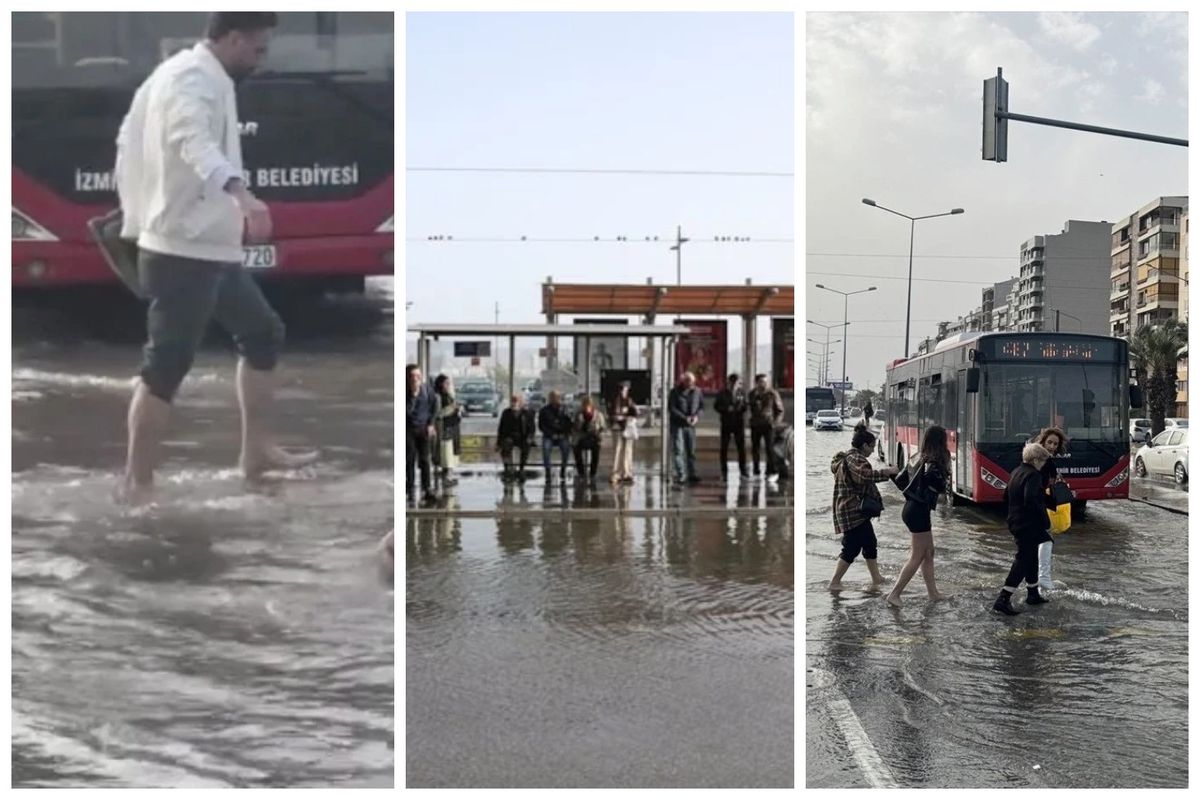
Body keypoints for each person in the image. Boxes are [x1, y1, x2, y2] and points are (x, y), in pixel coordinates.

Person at [115, 13, 318, 504]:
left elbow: (126, 142)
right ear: (233, 39)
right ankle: (137, 483)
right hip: (181, 250)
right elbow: (192, 141)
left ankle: (256, 452)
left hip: (208, 247)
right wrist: (241, 194)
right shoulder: (189, 78)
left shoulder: (197, 74)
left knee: (262, 333)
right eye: (258, 49)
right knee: (166, 365)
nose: (260, 60)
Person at [885, 426, 950, 607]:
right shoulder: (933, 461)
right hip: (918, 511)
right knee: (917, 555)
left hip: (913, 508)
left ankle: (933, 593)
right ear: (941, 441)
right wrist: (941, 481)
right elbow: (935, 480)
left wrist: (914, 493)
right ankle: (894, 594)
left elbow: (900, 480)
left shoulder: (917, 457)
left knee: (928, 553)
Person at [828, 423, 898, 590]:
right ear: (864, 445)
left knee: (869, 542)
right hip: (852, 511)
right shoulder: (855, 458)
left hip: (850, 510)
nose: (873, 451)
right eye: (872, 447)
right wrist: (887, 472)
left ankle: (876, 578)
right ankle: (835, 582)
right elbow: (864, 476)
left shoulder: (849, 457)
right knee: (851, 548)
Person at [993, 442, 1053, 616]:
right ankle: (1003, 598)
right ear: (1036, 460)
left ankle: (1033, 593)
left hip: (1015, 521)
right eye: (1043, 461)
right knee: (1024, 558)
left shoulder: (1016, 472)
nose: (1043, 465)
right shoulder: (1033, 475)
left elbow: (1006, 496)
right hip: (1028, 524)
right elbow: (1031, 498)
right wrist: (1044, 520)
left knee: (1032, 555)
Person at [1033, 427, 1069, 591]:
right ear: (1042, 442)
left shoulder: (1049, 462)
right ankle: (1043, 578)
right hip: (1034, 505)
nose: (1052, 446)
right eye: (1049, 442)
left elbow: (1049, 484)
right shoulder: (1037, 461)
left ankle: (1037, 578)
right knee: (1045, 539)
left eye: (1055, 444)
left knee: (1041, 540)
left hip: (1039, 504)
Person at [405, 365, 438, 503]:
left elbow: (434, 406)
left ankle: (427, 488)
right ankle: (410, 488)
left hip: (423, 429)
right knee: (409, 459)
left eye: (418, 376)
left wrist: (431, 424)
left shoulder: (427, 391)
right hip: (408, 430)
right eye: (412, 376)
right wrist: (412, 396)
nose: (415, 379)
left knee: (425, 459)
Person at [668, 371, 704, 485]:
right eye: (689, 382)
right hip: (678, 424)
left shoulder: (697, 391)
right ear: (684, 381)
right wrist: (684, 418)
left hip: (691, 425)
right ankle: (681, 474)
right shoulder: (675, 392)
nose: (691, 384)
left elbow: (701, 407)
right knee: (679, 450)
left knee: (691, 450)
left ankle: (692, 473)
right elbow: (672, 408)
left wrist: (697, 416)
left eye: (693, 382)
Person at [748, 374, 785, 480]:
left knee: (770, 449)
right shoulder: (752, 394)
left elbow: (780, 410)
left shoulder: (772, 394)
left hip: (768, 425)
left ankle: (771, 471)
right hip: (755, 425)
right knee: (755, 449)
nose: (763, 384)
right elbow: (750, 407)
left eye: (765, 382)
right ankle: (756, 470)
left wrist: (775, 423)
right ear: (756, 383)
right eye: (761, 382)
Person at [714, 373, 750, 481]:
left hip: (738, 423)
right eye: (732, 383)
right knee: (724, 448)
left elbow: (746, 406)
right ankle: (724, 472)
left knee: (741, 448)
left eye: (737, 383)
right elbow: (716, 406)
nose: (735, 385)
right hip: (726, 423)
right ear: (729, 382)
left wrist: (741, 407)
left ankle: (743, 471)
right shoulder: (722, 393)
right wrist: (726, 409)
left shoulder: (742, 393)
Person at [497, 394, 535, 483]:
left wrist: (530, 437)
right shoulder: (506, 413)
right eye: (512, 401)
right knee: (506, 444)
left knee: (526, 445)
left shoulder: (527, 413)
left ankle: (522, 468)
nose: (514, 403)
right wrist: (498, 442)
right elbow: (501, 428)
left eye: (516, 401)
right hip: (510, 436)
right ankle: (508, 468)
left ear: (521, 403)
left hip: (523, 437)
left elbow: (532, 428)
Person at [432, 375, 461, 489]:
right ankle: (446, 478)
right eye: (446, 383)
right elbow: (438, 414)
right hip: (444, 429)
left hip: (452, 427)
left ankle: (448, 477)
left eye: (449, 383)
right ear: (440, 384)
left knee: (450, 455)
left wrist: (457, 409)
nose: (448, 385)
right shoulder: (438, 397)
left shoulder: (449, 395)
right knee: (446, 455)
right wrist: (451, 408)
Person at [607, 381, 639, 485]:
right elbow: (611, 414)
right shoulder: (614, 400)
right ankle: (616, 474)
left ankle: (627, 473)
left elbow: (635, 413)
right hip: (617, 428)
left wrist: (632, 414)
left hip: (628, 427)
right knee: (617, 450)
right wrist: (617, 418)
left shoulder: (630, 401)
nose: (623, 391)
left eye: (625, 389)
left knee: (628, 451)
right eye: (621, 389)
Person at [538, 390, 573, 483]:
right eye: (552, 397)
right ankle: (548, 471)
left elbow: (569, 424)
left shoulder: (565, 410)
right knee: (546, 448)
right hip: (549, 436)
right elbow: (541, 426)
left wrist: (563, 433)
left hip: (562, 435)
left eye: (557, 397)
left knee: (566, 447)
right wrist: (551, 434)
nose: (555, 399)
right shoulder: (544, 411)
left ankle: (563, 469)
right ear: (549, 399)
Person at [571, 396, 607, 484]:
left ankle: (593, 473)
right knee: (576, 449)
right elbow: (574, 428)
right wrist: (580, 422)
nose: (586, 407)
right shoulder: (578, 414)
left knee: (596, 448)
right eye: (584, 405)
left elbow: (603, 427)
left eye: (588, 404)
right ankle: (581, 472)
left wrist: (596, 430)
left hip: (594, 437)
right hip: (581, 437)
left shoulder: (598, 414)